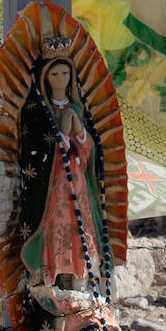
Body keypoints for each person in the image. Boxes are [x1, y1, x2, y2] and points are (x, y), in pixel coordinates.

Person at [18, 56, 106, 294]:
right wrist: (62, 136)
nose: (61, 79)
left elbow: (88, 151)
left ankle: (81, 279)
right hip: (51, 184)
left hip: (76, 181)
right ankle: (49, 278)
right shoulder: (39, 111)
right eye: (55, 75)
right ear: (45, 78)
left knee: (78, 225)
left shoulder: (77, 108)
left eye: (65, 74)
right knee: (55, 224)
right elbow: (34, 148)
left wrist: (78, 131)